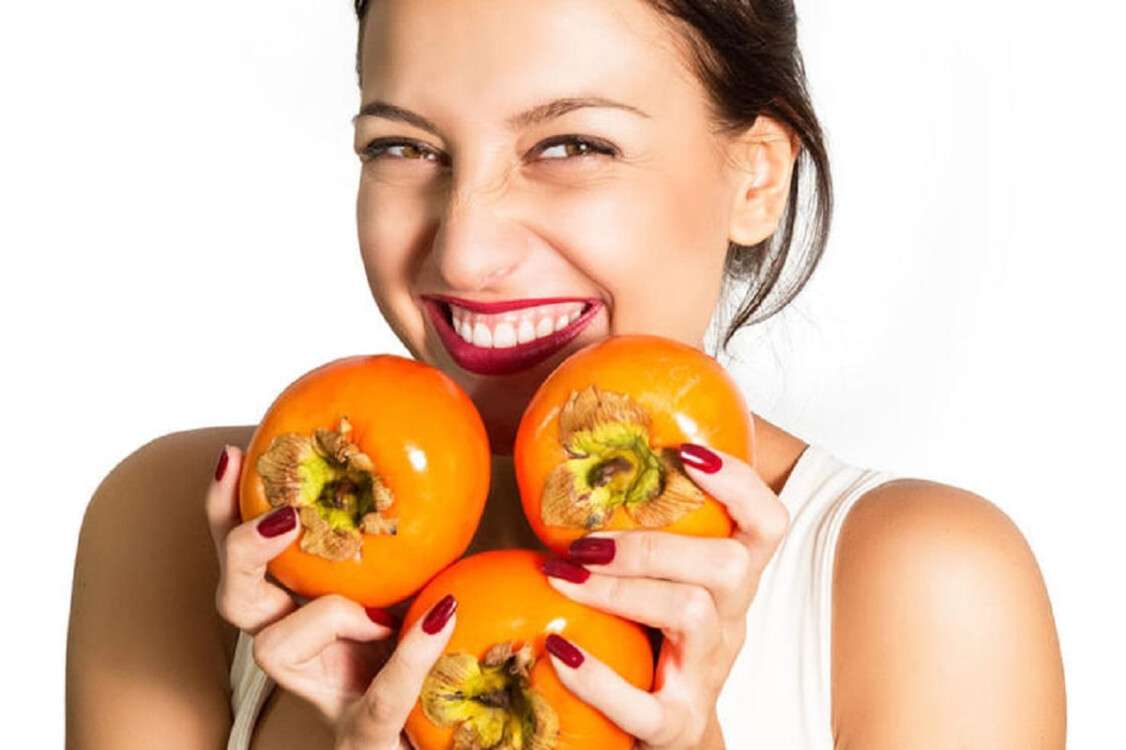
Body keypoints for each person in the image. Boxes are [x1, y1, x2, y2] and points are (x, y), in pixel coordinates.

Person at [66, 1, 1067, 748]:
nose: (462, 251)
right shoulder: (179, 531)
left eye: (571, 144)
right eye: (405, 146)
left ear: (755, 177)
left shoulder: (923, 588)